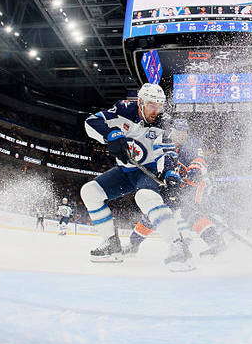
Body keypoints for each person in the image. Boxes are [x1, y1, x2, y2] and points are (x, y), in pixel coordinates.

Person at [81, 83, 193, 271]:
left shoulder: (165, 123)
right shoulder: (124, 109)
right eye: (151, 105)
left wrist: (172, 175)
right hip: (124, 172)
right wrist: (111, 135)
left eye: (159, 105)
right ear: (140, 102)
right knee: (90, 192)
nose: (155, 110)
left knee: (145, 197)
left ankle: (177, 246)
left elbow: (168, 154)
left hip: (147, 171)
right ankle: (111, 245)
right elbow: (91, 121)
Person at [125, 118, 225, 258]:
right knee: (154, 213)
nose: (182, 135)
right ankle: (133, 244)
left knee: (189, 212)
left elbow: (199, 160)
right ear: (172, 132)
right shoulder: (164, 143)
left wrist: (195, 170)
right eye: (179, 131)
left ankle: (216, 242)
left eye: (184, 132)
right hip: (175, 186)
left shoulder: (192, 144)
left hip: (195, 184)